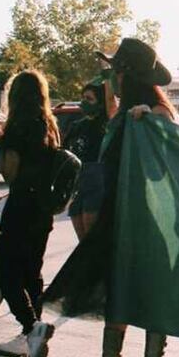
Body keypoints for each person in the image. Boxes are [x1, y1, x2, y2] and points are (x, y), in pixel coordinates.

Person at [43, 38, 177, 357]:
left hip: (146, 218)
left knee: (148, 289)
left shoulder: (155, 113)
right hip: (115, 212)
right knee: (114, 284)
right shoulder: (121, 114)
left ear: (127, 75)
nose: (110, 78)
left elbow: (163, 168)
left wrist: (150, 123)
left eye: (114, 71)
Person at [0, 71, 60, 357]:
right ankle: (29, 339)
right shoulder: (50, 125)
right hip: (42, 210)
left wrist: (1, 140)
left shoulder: (18, 126)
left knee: (6, 271)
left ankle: (31, 326)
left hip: (21, 206)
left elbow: (10, 173)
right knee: (32, 272)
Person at [64, 81, 114, 241]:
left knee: (91, 236)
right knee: (82, 238)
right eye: (83, 98)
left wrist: (107, 79)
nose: (84, 102)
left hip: (95, 182)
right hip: (77, 183)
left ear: (100, 103)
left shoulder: (104, 124)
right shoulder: (76, 126)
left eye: (89, 98)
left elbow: (111, 103)